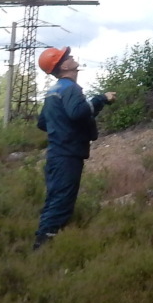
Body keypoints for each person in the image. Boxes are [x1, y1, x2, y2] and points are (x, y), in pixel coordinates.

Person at [32, 46, 115, 250]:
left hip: (57, 154)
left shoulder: (53, 92)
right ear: (64, 66)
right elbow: (78, 113)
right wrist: (101, 99)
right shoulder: (70, 88)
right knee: (61, 201)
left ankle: (46, 242)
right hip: (67, 155)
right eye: (67, 57)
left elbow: (43, 122)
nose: (72, 57)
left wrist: (62, 125)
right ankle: (43, 248)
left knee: (55, 198)